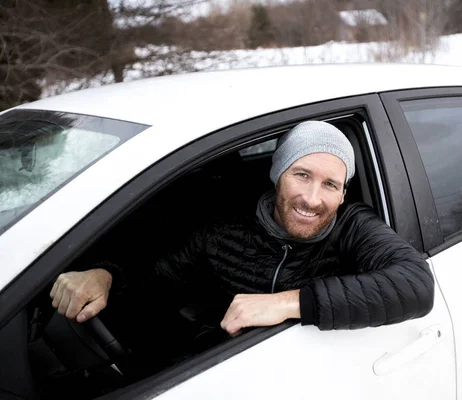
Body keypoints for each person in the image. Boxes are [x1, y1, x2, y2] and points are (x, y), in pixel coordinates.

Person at [50, 120, 434, 337]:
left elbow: (415, 283)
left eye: (330, 185)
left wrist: (288, 302)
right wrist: (104, 276)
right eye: (302, 175)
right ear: (277, 175)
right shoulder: (226, 229)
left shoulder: (351, 225)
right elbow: (156, 276)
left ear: (343, 193)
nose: (313, 199)